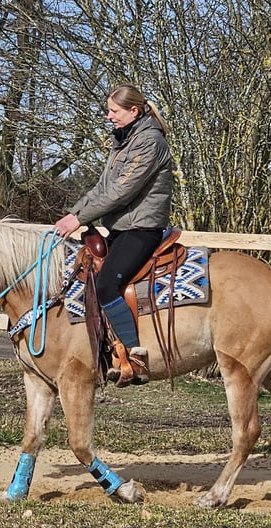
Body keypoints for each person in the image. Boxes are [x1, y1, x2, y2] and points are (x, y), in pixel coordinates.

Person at [54, 83, 173, 386]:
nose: (108, 116)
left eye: (114, 111)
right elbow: (103, 189)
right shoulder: (124, 141)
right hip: (123, 226)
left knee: (108, 283)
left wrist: (79, 218)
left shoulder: (149, 142)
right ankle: (109, 350)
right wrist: (74, 214)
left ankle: (136, 357)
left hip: (142, 227)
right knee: (87, 273)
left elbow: (121, 192)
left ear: (134, 111)